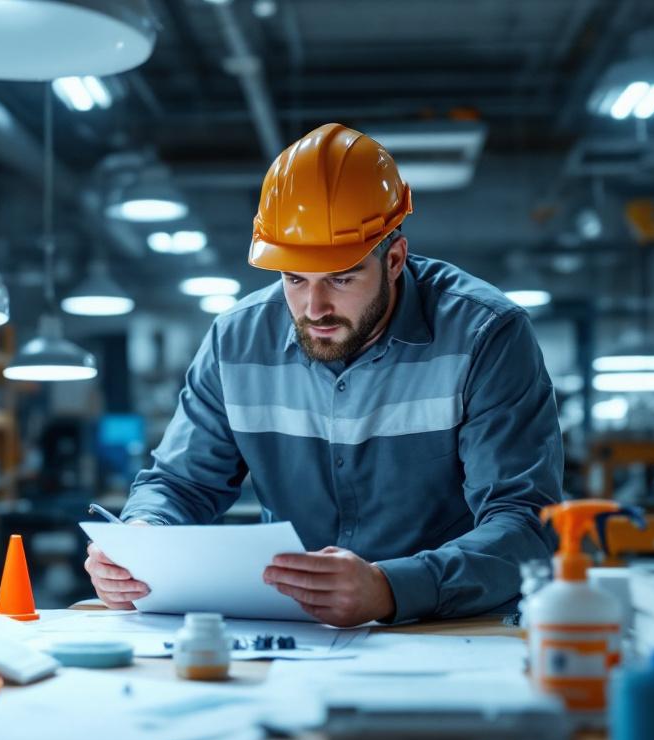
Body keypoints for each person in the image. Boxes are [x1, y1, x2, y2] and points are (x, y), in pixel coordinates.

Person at [85, 123, 562, 627]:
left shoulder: (485, 334)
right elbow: (180, 483)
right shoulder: (236, 341)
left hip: (453, 628)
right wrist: (140, 540)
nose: (314, 308)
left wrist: (391, 588)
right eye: (294, 279)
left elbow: (525, 522)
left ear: (394, 259)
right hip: (295, 632)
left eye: (341, 278)